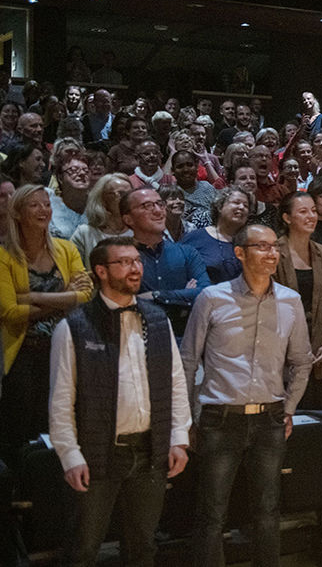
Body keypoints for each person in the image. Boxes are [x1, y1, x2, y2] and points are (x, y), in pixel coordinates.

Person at [48, 236, 191, 565]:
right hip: (99, 454)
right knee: (83, 549)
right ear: (100, 270)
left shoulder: (157, 319)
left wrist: (179, 439)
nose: (135, 268)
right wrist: (69, 455)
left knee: (143, 547)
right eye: (124, 262)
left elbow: (175, 382)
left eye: (137, 261)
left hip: (149, 450)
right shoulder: (75, 326)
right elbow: (60, 401)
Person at [181, 223, 314, 567]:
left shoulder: (291, 300)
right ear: (240, 253)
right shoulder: (212, 298)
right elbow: (187, 360)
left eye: (274, 247)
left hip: (270, 418)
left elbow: (302, 361)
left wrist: (288, 409)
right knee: (212, 512)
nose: (272, 253)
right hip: (219, 418)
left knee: (268, 510)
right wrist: (185, 419)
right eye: (262, 246)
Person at [0, 185, 93, 460]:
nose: (44, 210)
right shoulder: (4, 256)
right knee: (23, 428)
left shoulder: (65, 249)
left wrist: (32, 296)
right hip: (24, 353)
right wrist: (64, 293)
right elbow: (9, 313)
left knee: (61, 422)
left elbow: (86, 295)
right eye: (35, 205)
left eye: (47, 204)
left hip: (65, 349)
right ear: (17, 213)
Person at [275, 192, 322, 411]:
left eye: (313, 210)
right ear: (287, 218)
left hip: (321, 350)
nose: (311, 216)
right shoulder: (273, 252)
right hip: (283, 352)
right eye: (303, 211)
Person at [121, 187, 210, 336]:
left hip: (184, 340)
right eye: (147, 206)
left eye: (160, 204)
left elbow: (205, 292)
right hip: (135, 338)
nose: (158, 211)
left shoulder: (187, 252)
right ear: (128, 219)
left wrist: (157, 295)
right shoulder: (120, 258)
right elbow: (124, 302)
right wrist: (184, 297)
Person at [181, 187, 250, 284]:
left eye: (246, 205)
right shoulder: (196, 238)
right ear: (220, 207)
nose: (242, 207)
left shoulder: (251, 242)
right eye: (236, 202)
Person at [71, 172, 133, 267]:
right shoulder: (84, 234)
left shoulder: (140, 230)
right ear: (102, 199)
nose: (127, 199)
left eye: (130, 194)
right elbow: (74, 272)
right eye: (121, 194)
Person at [48, 153, 91, 240]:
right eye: (73, 170)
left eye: (86, 170)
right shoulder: (49, 206)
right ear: (60, 177)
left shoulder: (99, 205)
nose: (82, 173)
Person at [173, 150, 218, 228]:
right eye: (180, 166)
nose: (186, 170)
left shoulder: (207, 187)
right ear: (173, 170)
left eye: (190, 165)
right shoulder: (171, 193)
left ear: (197, 167)